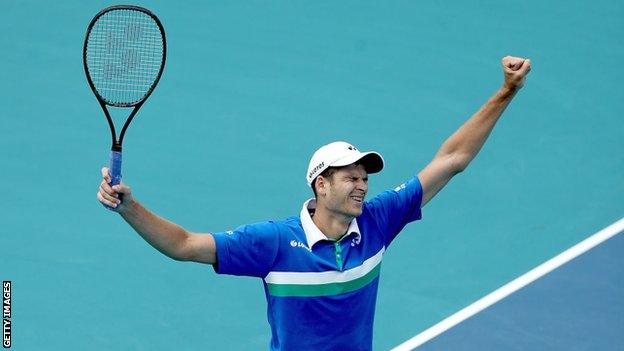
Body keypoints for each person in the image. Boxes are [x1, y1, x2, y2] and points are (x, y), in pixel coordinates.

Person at [97, 56, 531, 351]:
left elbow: (451, 160)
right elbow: (185, 245)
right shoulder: (272, 243)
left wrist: (506, 92)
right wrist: (129, 207)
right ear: (321, 185)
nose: (362, 186)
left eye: (365, 177)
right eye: (350, 178)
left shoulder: (379, 221)